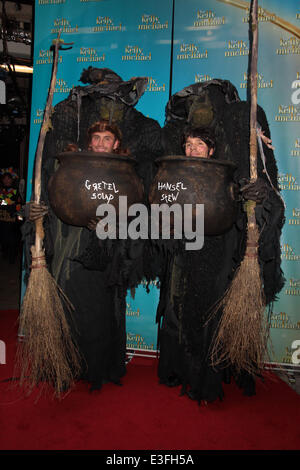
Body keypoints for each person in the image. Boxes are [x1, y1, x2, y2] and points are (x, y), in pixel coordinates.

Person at [157, 118, 285, 405]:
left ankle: (206, 378)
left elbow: (251, 209)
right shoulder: (177, 175)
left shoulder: (227, 177)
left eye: (199, 145)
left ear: (211, 150)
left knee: (209, 312)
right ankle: (184, 371)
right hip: (186, 250)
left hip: (217, 252)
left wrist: (257, 195)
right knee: (182, 309)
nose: (193, 150)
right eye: (188, 145)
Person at [25, 120, 133, 391]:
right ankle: (63, 366)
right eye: (95, 138)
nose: (100, 143)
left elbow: (135, 219)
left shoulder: (125, 173)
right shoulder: (69, 166)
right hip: (66, 254)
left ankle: (94, 368)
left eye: (106, 138)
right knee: (67, 311)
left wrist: (110, 231)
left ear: (116, 143)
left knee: (96, 315)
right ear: (89, 141)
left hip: (100, 262)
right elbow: (52, 202)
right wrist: (35, 212)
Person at [0, 170, 22, 263]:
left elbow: (19, 204)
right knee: (3, 239)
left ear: (12, 180)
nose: (6, 180)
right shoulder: (1, 190)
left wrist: (9, 205)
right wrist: (8, 203)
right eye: (4, 178)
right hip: (2, 220)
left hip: (12, 220)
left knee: (12, 240)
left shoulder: (16, 191)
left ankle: (12, 258)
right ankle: (5, 254)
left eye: (8, 178)